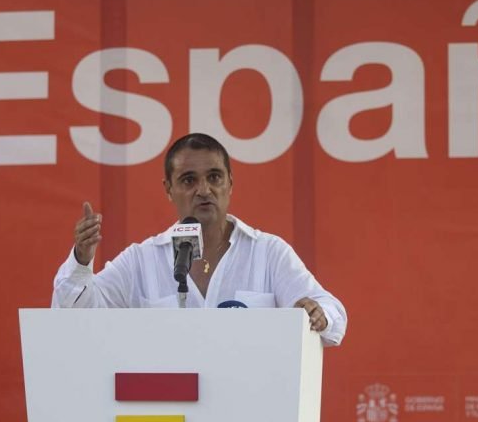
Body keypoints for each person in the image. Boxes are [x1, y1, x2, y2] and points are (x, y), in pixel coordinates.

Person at [52, 133, 346, 346]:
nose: (204, 190)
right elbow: (76, 319)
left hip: (253, 416)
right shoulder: (141, 260)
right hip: (167, 419)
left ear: (230, 183)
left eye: (215, 177)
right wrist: (81, 259)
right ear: (169, 189)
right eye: (189, 180)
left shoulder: (268, 252)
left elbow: (331, 312)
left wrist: (319, 314)